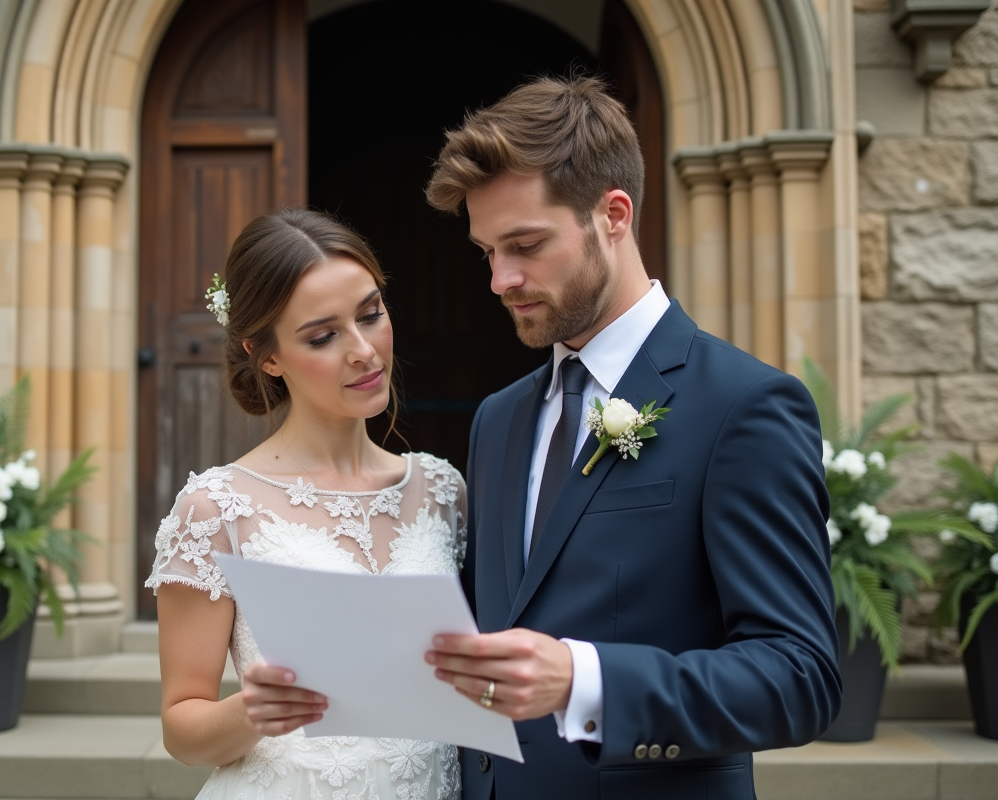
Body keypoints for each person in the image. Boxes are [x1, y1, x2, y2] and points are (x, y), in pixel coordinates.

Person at [422, 76, 841, 800]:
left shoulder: (744, 407)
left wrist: (587, 681)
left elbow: (799, 675)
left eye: (525, 245)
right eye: (486, 251)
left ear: (613, 214)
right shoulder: (497, 418)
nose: (500, 279)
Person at [146, 208, 466, 800]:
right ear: (266, 355)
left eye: (372, 315)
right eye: (323, 336)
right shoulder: (216, 508)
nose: (364, 351)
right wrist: (249, 712)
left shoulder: (444, 492)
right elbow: (181, 727)